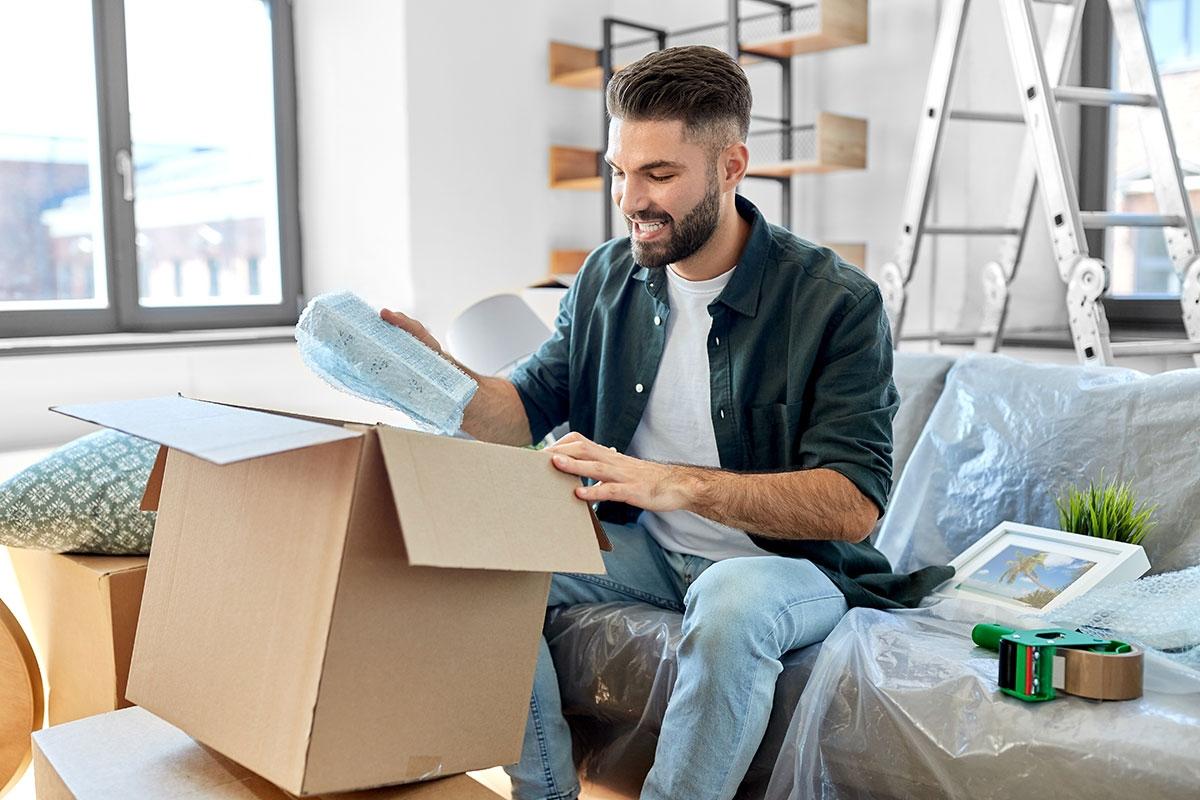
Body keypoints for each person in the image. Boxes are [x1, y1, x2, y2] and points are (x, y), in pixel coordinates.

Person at [382, 44, 951, 800]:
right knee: (478, 560)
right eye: (619, 171)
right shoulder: (604, 276)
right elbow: (519, 411)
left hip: (791, 567)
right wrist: (438, 377)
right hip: (648, 550)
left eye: (658, 174)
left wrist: (672, 483)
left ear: (731, 166)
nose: (630, 199)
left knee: (730, 604)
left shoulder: (835, 302)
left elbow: (851, 504)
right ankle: (543, 791)